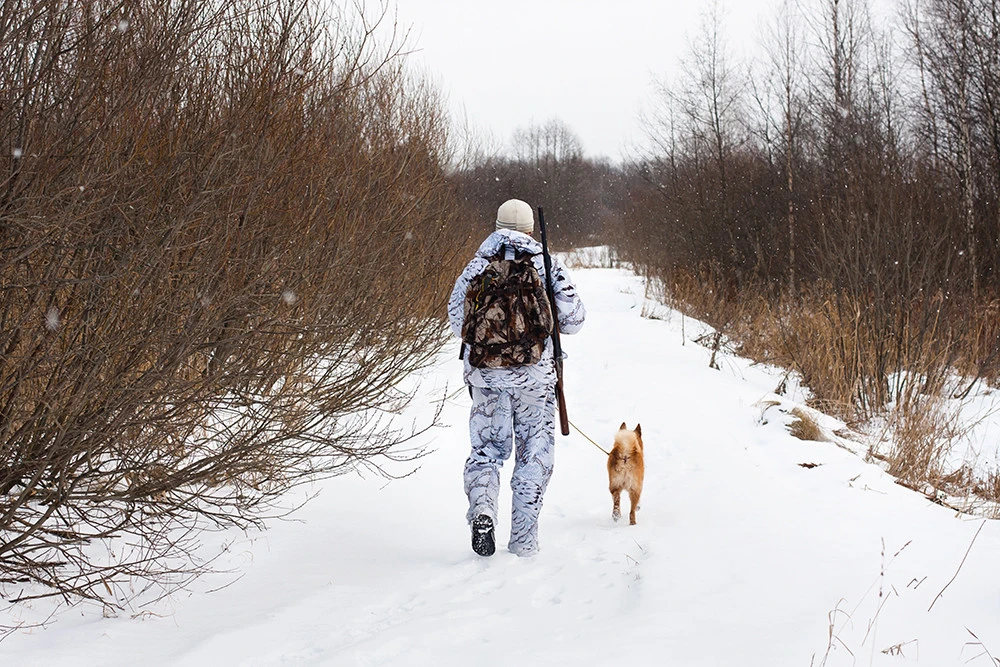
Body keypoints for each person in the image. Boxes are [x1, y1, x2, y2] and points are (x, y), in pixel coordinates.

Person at [447, 198, 586, 557]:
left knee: (486, 452)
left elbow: (456, 320)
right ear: (530, 229)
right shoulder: (546, 265)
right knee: (534, 455)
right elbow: (574, 320)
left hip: (485, 377)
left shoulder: (477, 265)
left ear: (496, 227)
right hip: (535, 380)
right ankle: (523, 542)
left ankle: (483, 509)